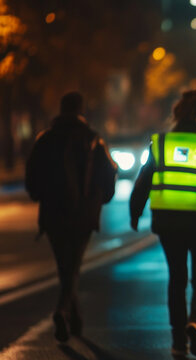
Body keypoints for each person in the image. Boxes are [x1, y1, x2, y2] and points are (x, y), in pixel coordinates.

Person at [130, 88, 196, 358]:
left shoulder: (162, 142)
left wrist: (135, 211)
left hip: (170, 222)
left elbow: (144, 179)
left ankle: (179, 342)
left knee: (176, 280)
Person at [25, 91, 118, 343]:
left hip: (53, 214)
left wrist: (39, 196)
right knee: (72, 266)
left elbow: (31, 176)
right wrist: (102, 198)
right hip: (83, 213)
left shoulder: (45, 139)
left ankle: (75, 320)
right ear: (81, 110)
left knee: (65, 266)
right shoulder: (92, 139)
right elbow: (109, 174)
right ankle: (63, 311)